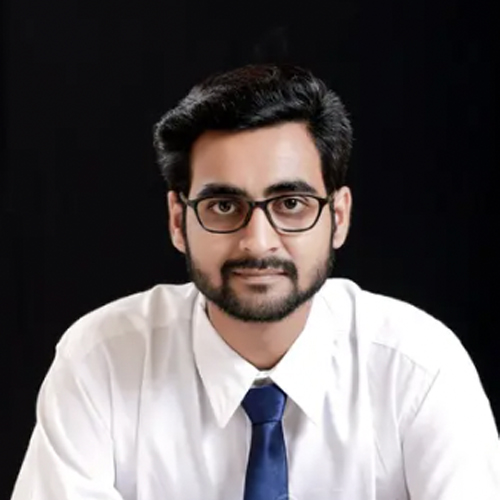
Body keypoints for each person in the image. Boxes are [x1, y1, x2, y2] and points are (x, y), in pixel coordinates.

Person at [11, 63, 500, 500]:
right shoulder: (99, 361)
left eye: (291, 204)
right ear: (179, 221)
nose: (258, 242)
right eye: (224, 205)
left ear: (339, 217)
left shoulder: (419, 368)